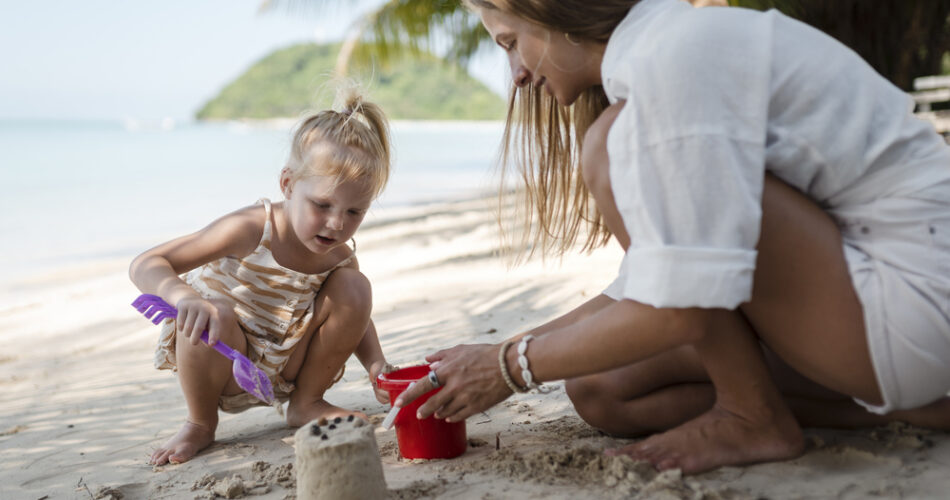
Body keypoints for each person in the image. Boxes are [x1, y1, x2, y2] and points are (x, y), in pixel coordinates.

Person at [394, 0, 950, 474]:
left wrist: (510, 368)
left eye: (511, 41)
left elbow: (681, 303)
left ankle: (751, 416)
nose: (515, 73)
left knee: (610, 146)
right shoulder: (659, 56)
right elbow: (645, 285)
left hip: (911, 295)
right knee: (601, 390)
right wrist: (497, 353)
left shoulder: (672, 61)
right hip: (887, 307)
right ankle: (900, 408)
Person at [129, 88, 395, 466]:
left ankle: (306, 403)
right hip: (223, 358)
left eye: (355, 212)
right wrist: (183, 297)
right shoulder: (251, 228)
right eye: (322, 205)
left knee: (355, 285)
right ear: (287, 184)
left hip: (287, 369)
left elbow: (357, 318)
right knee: (215, 311)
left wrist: (375, 365)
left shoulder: (338, 255)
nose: (337, 223)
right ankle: (200, 423)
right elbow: (146, 263)